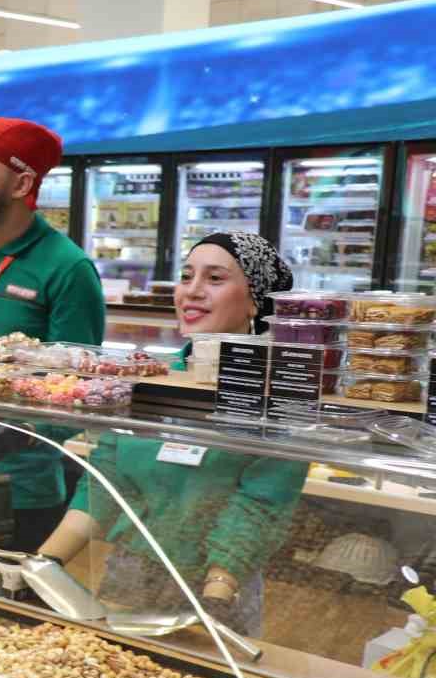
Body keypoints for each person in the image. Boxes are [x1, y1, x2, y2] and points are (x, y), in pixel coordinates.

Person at [35, 232, 302, 636]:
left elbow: (260, 505)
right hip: (127, 575)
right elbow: (105, 482)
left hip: (218, 590)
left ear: (256, 300)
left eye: (215, 279)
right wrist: (43, 563)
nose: (192, 292)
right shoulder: (153, 379)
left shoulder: (275, 393)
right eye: (186, 276)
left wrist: (214, 598)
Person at [0, 117, 108, 551]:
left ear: (20, 182)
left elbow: (77, 385)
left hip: (18, 491)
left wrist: (21, 432)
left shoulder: (68, 268)